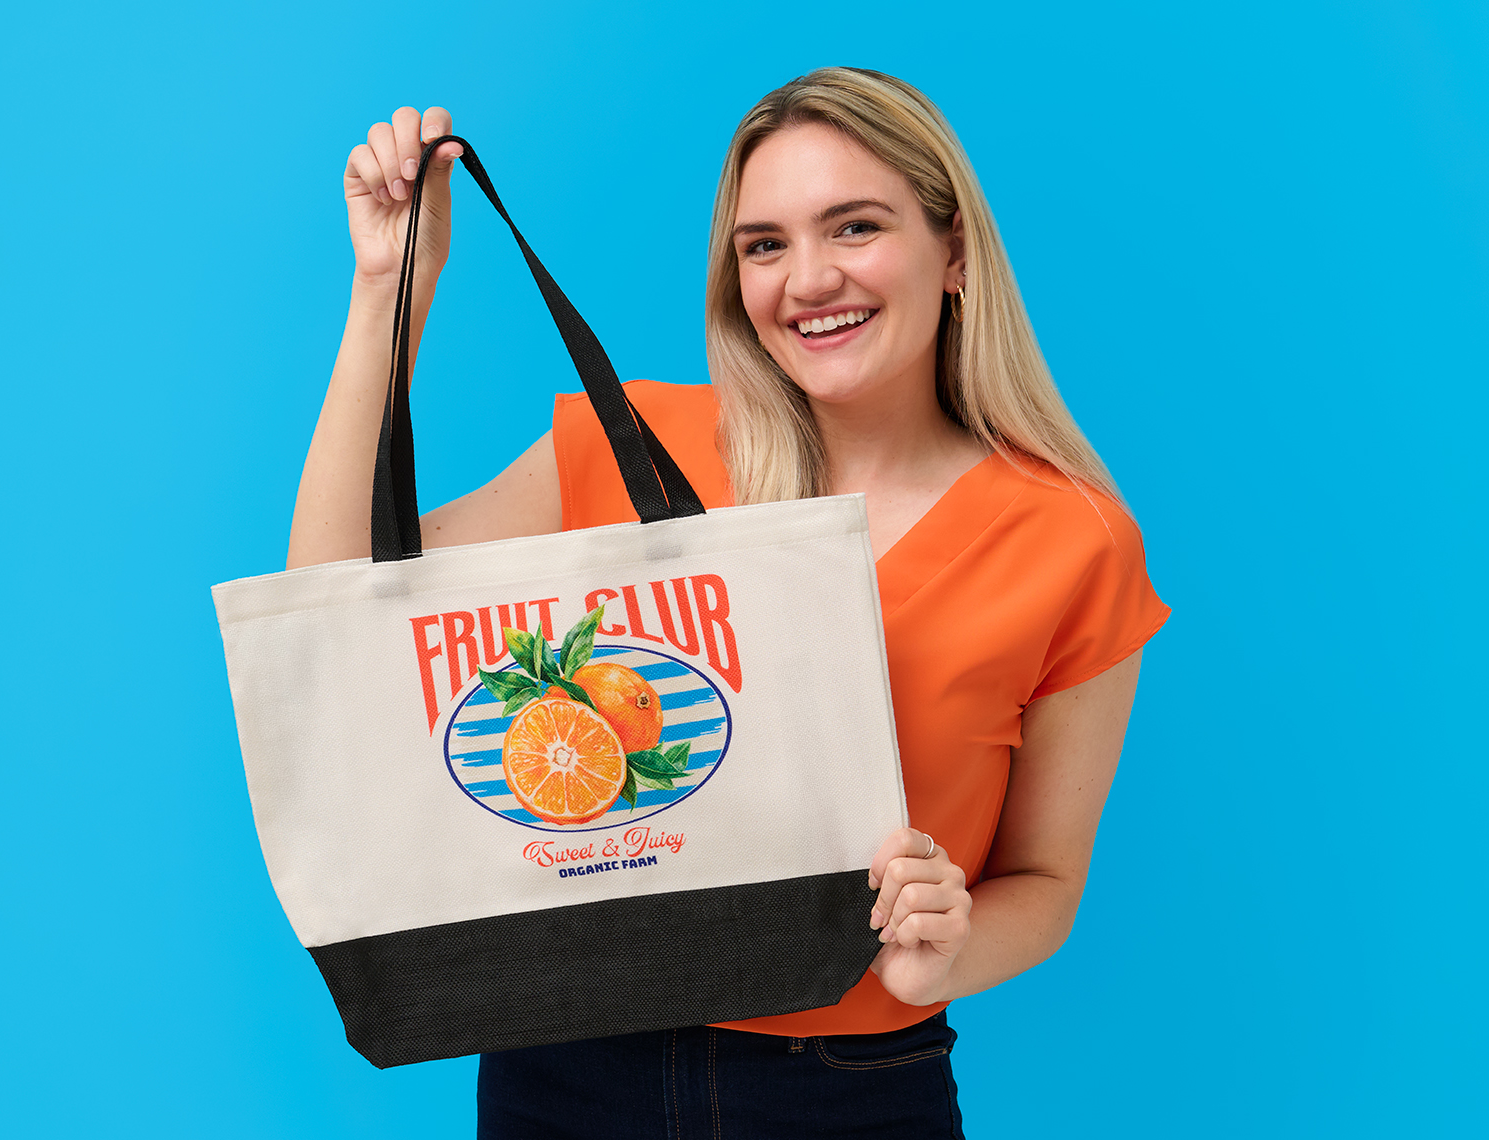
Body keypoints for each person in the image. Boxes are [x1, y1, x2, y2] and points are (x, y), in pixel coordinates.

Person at [289, 67, 1167, 1138]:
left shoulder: (1071, 539)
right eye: (764, 244)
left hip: (850, 1090)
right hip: (564, 1069)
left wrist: (954, 943)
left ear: (953, 254)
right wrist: (391, 287)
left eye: (853, 227)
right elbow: (327, 600)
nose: (807, 279)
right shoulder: (624, 450)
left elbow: (1045, 880)